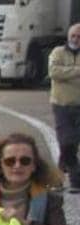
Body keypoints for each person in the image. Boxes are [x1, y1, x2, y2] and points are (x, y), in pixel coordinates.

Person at [49, 23, 80, 191]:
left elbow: (62, 73)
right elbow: (54, 72)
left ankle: (57, 180)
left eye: (79, 37)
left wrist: (67, 72)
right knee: (66, 142)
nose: (76, 40)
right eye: (73, 36)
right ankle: (76, 180)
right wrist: (77, 71)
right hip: (62, 104)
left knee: (70, 144)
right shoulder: (57, 52)